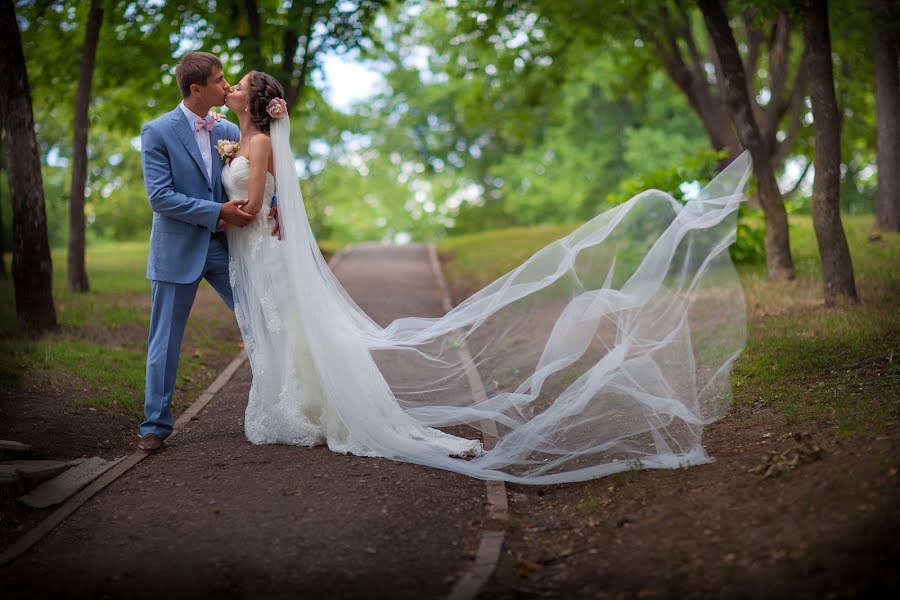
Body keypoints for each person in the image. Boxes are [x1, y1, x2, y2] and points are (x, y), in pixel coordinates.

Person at [221, 70, 752, 484]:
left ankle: (315, 407)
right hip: (259, 251)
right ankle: (297, 402)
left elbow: (256, 204)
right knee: (282, 329)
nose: (231, 89)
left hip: (265, 250)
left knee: (294, 326)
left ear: (254, 101)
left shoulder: (262, 144)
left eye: (238, 85)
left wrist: (215, 212)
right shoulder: (233, 137)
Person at [137, 52, 275, 453]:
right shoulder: (157, 131)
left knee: (261, 317)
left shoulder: (227, 129)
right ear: (196, 89)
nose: (226, 84)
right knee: (164, 340)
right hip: (176, 248)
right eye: (218, 80)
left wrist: (277, 206)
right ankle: (155, 425)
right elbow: (160, 197)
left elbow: (256, 172)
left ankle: (280, 400)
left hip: (221, 247)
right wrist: (217, 212)